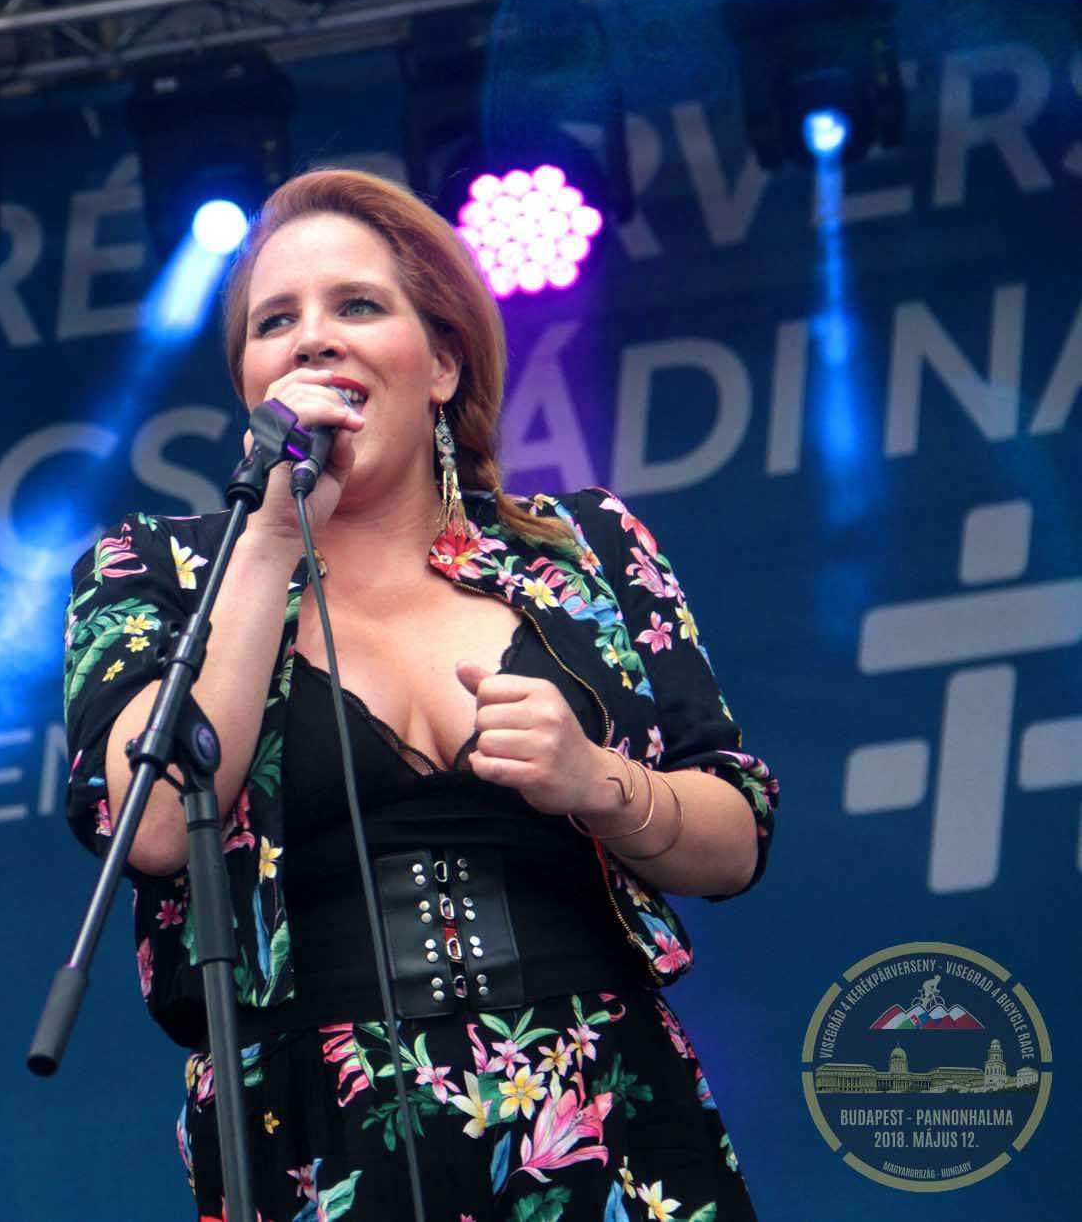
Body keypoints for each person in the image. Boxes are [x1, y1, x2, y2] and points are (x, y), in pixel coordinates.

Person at [61, 169, 778, 1222]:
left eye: (357, 305)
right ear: (250, 379)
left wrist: (597, 781)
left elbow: (736, 835)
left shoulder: (583, 550)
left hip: (601, 1099)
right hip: (316, 1131)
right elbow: (155, 825)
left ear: (442, 361)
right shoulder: (155, 571)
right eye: (274, 322)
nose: (313, 339)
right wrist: (268, 537)